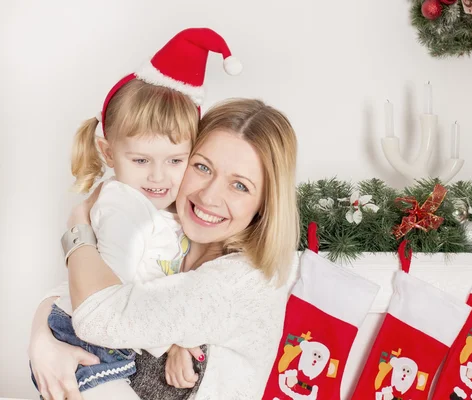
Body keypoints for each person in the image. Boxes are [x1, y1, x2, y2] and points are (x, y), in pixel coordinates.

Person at [29, 97, 300, 400]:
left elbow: (98, 316)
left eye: (240, 186)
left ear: (265, 203)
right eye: (202, 167)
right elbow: (77, 289)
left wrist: (77, 224)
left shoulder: (242, 281)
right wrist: (41, 337)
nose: (209, 196)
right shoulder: (167, 234)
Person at [28, 27, 247, 400]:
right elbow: (113, 303)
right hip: (91, 343)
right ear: (109, 152)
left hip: (108, 339)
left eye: (176, 161)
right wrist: (173, 342)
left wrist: (180, 342)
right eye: (141, 160)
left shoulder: (165, 212)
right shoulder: (124, 207)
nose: (159, 176)